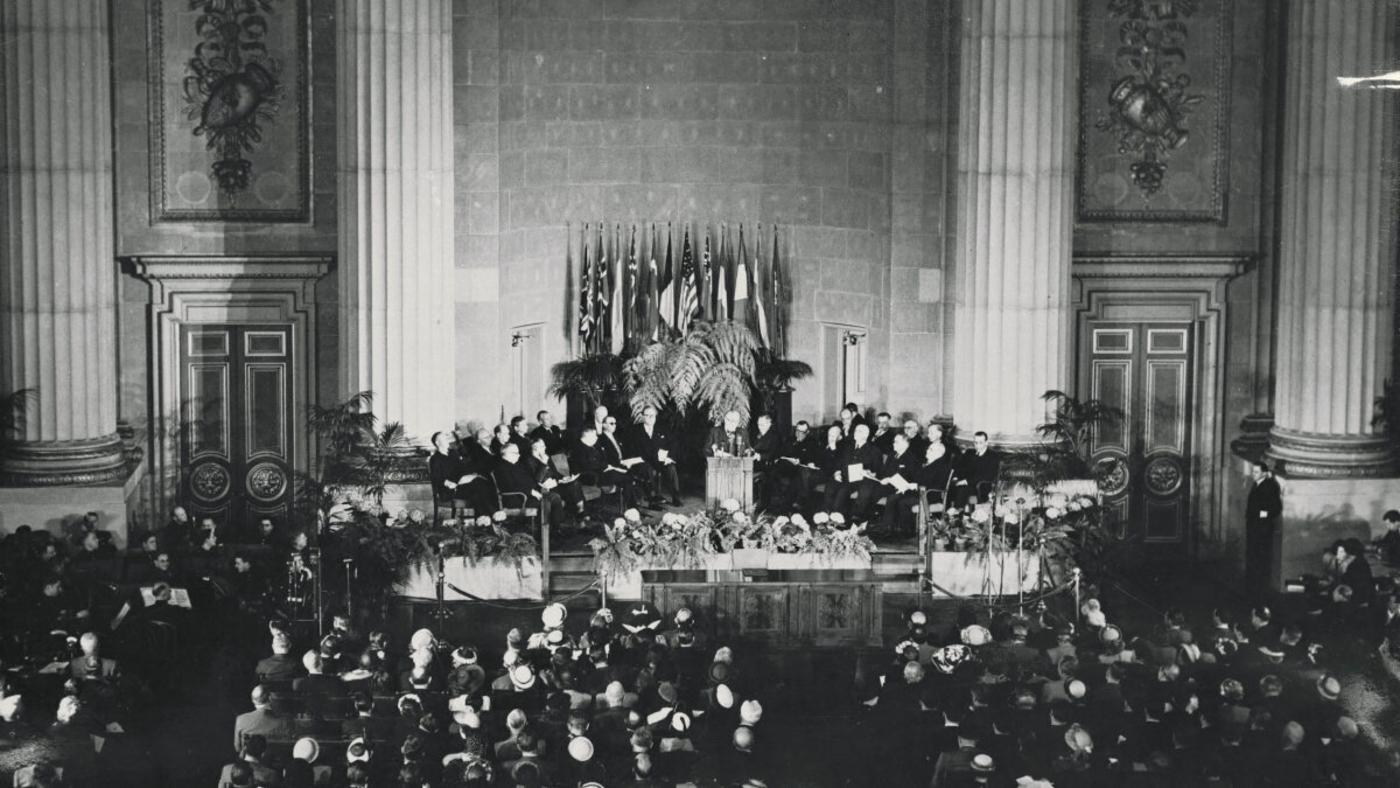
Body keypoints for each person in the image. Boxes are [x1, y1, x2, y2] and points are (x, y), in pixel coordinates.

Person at [824, 423, 885, 523]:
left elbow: (878, 470)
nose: (856, 432)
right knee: (833, 485)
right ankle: (829, 514)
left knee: (849, 490)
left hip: (863, 479)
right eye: (856, 430)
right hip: (846, 477)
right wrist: (837, 473)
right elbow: (839, 462)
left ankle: (848, 518)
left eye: (859, 431)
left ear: (866, 435)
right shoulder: (848, 447)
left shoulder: (874, 450)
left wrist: (870, 472)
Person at [430, 430, 496, 516]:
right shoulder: (435, 459)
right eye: (444, 438)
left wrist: (471, 475)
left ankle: (484, 519)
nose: (447, 440)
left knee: (481, 485)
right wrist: (456, 482)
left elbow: (463, 469)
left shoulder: (453, 453)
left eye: (447, 438)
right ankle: (493, 515)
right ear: (437, 443)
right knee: (478, 486)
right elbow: (436, 478)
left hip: (462, 485)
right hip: (449, 490)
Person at [573, 427, 641, 506]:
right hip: (593, 476)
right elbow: (587, 465)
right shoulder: (578, 449)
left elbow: (603, 459)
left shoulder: (593, 446)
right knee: (627, 477)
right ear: (587, 436)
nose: (596, 437)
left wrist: (607, 466)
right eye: (595, 435)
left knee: (627, 478)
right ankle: (631, 505)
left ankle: (630, 505)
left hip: (603, 472)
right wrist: (606, 466)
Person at [630, 405, 681, 507]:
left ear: (656, 416)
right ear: (642, 416)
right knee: (648, 469)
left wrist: (669, 457)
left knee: (671, 468)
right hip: (644, 461)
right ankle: (653, 498)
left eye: (652, 416)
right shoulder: (635, 431)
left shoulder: (662, 429)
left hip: (661, 461)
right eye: (647, 415)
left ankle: (676, 498)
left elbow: (673, 444)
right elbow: (633, 450)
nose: (649, 418)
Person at [528, 437, 584, 526]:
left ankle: (580, 514)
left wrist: (562, 479)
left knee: (575, 484)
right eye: (542, 446)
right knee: (572, 488)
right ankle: (576, 518)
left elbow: (555, 473)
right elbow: (537, 479)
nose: (545, 448)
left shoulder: (545, 457)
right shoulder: (529, 461)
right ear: (535, 448)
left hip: (555, 484)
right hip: (544, 489)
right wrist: (543, 464)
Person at [1246, 460, 1282, 594]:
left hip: (1262, 528)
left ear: (1264, 473)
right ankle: (1253, 584)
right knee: (1254, 556)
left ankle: (1260, 586)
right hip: (1254, 527)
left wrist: (1262, 514)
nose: (1252, 474)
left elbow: (1276, 507)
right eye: (1252, 471)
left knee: (1261, 557)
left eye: (1256, 472)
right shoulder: (1256, 484)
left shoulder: (1270, 486)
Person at [952, 431, 999, 506]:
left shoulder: (993, 456)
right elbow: (959, 467)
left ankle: (957, 512)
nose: (977, 446)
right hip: (966, 483)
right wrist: (956, 477)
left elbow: (988, 476)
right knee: (949, 486)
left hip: (981, 486)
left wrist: (966, 481)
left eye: (980, 443)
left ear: (986, 442)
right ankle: (942, 514)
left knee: (962, 489)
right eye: (975, 443)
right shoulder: (969, 453)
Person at [750, 414, 783, 511]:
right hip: (756, 464)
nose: (760, 427)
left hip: (769, 466)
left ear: (769, 424)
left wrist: (759, 456)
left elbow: (774, 453)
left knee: (759, 478)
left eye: (763, 425)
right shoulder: (757, 435)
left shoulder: (774, 436)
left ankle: (760, 505)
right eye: (759, 424)